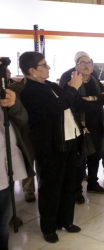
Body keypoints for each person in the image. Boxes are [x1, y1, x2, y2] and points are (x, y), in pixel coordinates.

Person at [19, 52, 83, 243]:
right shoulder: (29, 92)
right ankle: (48, 227)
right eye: (44, 65)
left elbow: (68, 102)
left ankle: (66, 220)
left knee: (70, 183)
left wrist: (73, 91)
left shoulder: (52, 85)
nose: (48, 68)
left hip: (70, 141)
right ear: (32, 71)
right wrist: (73, 90)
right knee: (50, 187)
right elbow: (56, 107)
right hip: (51, 146)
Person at [61, 51, 104, 203]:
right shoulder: (69, 79)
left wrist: (91, 99)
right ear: (76, 65)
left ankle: (92, 183)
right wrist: (97, 100)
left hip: (96, 123)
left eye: (89, 63)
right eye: (82, 63)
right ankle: (76, 190)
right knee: (79, 159)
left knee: (95, 155)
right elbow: (75, 103)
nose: (86, 66)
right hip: (78, 124)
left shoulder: (94, 79)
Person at [0, 59, 34, 250]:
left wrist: (13, 105)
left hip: (5, 170)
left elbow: (22, 119)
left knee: (2, 224)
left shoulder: (8, 93)